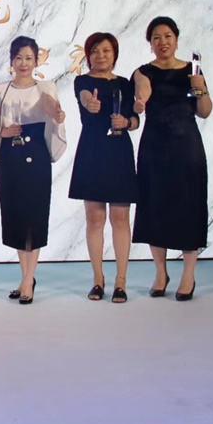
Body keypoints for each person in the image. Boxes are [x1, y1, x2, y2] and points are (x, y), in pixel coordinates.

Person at [131, 16, 212, 301]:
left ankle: (188, 274)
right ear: (150, 43)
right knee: (154, 206)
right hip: (154, 147)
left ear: (176, 39)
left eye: (167, 36)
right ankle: (160, 273)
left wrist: (200, 87)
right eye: (156, 37)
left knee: (190, 207)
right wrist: (140, 101)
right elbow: (141, 93)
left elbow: (204, 111)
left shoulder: (193, 71)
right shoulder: (143, 72)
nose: (162, 42)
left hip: (187, 147)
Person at [0, 36, 66, 305]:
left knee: (34, 215)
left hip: (36, 156)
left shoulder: (45, 86)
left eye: (29, 58)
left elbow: (50, 106)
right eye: (18, 58)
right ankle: (25, 277)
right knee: (16, 216)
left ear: (36, 61)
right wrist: (2, 132)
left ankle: (29, 279)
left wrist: (57, 113)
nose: (23, 63)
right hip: (11, 158)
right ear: (11, 61)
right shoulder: (0, 89)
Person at [67, 32, 139, 304]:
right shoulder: (82, 81)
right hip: (92, 152)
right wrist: (90, 103)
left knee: (120, 218)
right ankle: (98, 279)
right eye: (95, 51)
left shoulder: (124, 84)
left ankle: (121, 280)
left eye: (106, 51)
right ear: (88, 56)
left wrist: (128, 123)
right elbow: (85, 96)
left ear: (114, 54)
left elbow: (135, 118)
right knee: (95, 218)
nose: (101, 56)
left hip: (119, 152)